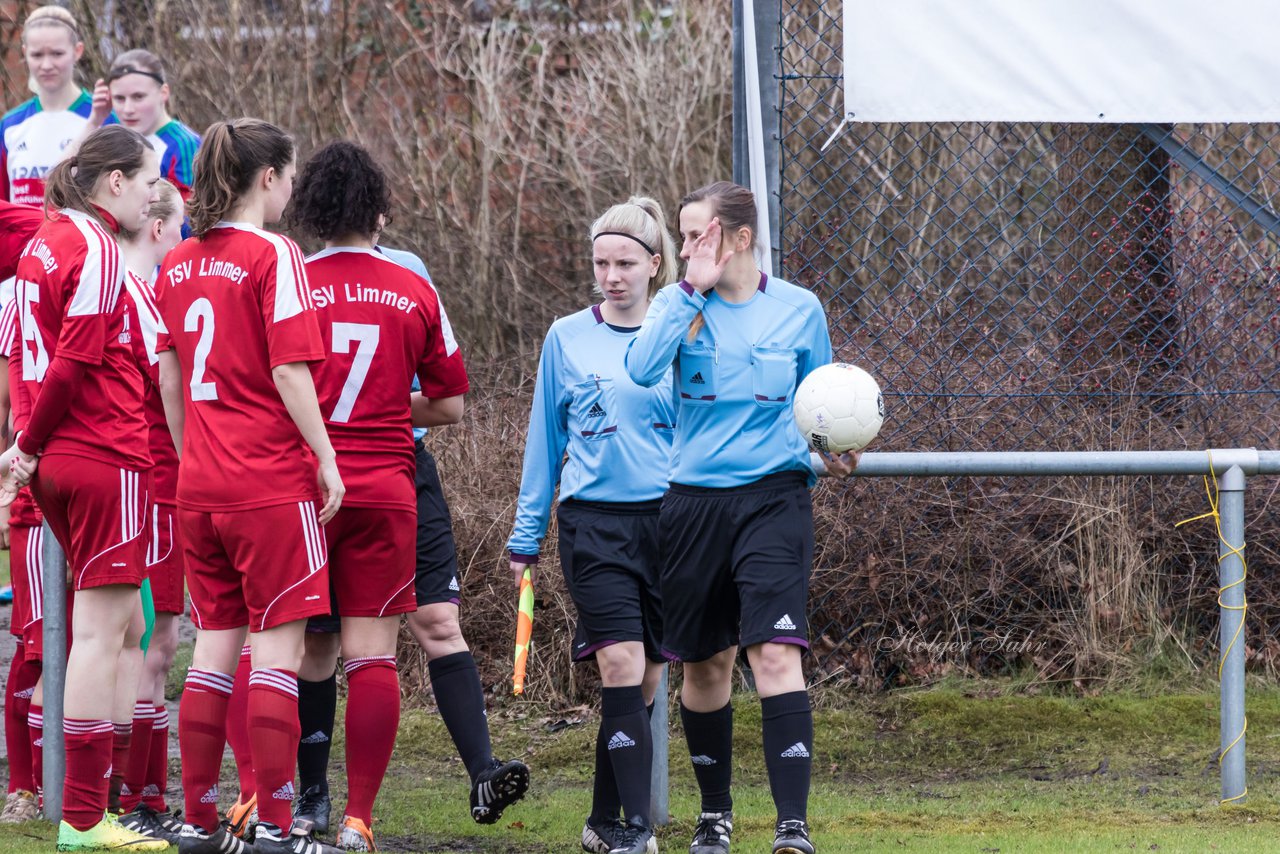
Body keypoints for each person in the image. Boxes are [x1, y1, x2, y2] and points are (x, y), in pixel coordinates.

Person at [624, 181, 858, 854]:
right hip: (693, 504)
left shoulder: (799, 310)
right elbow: (640, 370)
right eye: (684, 233)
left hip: (774, 501)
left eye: (701, 234)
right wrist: (686, 295)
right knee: (705, 667)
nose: (688, 246)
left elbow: (820, 407)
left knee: (778, 654)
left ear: (743, 239)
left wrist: (831, 457)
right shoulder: (676, 304)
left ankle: (792, 827)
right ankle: (714, 816)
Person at [154, 117, 344, 854]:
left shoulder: (177, 262)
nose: (291, 191)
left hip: (199, 486)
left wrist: (190, 453)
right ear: (268, 178)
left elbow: (168, 373)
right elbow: (291, 369)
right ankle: (275, 828)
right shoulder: (275, 253)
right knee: (276, 655)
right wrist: (325, 458)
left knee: (208, 656)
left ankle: (198, 822)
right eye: (289, 178)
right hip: (268, 484)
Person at [288, 139, 473, 851]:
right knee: (374, 656)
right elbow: (452, 403)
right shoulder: (412, 286)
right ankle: (360, 822)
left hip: (308, 487)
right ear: (378, 211)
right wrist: (389, 408)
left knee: (304, 650)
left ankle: (301, 803)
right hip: (389, 486)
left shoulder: (291, 281)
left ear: (309, 209)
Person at [0, 124, 165, 852]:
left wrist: (29, 444)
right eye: (151, 178)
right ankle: (84, 819)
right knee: (103, 636)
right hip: (100, 454)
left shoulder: (43, 240)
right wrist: (27, 448)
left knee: (128, 628)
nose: (157, 193)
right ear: (116, 182)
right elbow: (71, 362)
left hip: (68, 460)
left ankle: (104, 802)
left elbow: (26, 355)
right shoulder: (94, 246)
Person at [508, 196, 679, 854]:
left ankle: (604, 820)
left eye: (626, 263)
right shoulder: (566, 337)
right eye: (601, 262)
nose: (611, 275)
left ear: (654, 266)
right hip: (593, 525)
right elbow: (543, 444)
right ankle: (636, 831)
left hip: (667, 525)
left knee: (647, 677)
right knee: (618, 662)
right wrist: (526, 537)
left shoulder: (681, 335)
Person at [112, 178, 188, 844]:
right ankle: (137, 796)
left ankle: (140, 792)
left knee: (146, 645)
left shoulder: (144, 294)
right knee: (151, 648)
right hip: (154, 490)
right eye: (181, 227)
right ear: (159, 228)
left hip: (154, 488)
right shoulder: (141, 298)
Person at [1, 6, 94, 207]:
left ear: (77, 51)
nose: (46, 65)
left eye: (57, 54)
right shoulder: (9, 125)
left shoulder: (103, 118)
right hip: (23, 239)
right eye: (37, 55)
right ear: (25, 53)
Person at [79, 49, 201, 200]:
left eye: (138, 97)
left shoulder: (184, 144)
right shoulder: (108, 131)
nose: (128, 109)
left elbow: (190, 215)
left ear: (163, 93)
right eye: (119, 98)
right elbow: (65, 183)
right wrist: (94, 121)